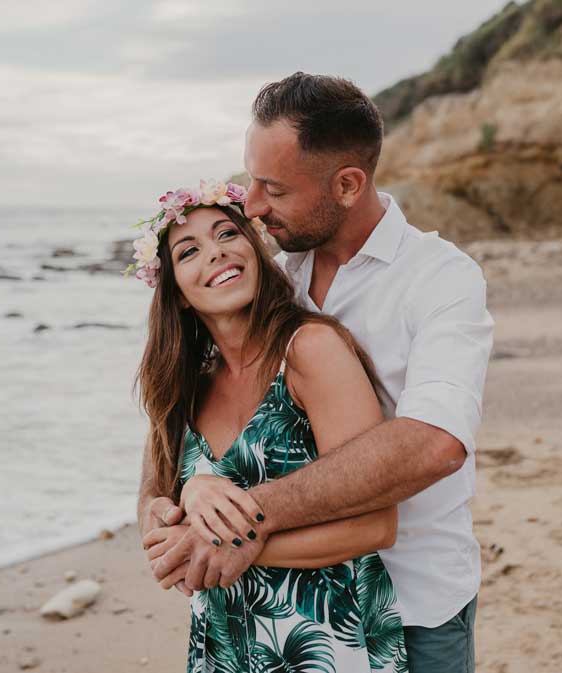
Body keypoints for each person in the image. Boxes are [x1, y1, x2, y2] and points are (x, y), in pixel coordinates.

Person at [144, 73, 494, 673]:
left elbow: (435, 443)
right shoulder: (272, 276)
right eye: (250, 180)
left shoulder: (440, 279)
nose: (251, 206)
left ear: (347, 185)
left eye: (273, 188)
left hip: (413, 600)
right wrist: (177, 498)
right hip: (276, 613)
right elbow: (193, 429)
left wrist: (242, 523)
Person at [132, 180, 408, 672]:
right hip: (223, 648)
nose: (216, 253)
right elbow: (155, 495)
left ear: (256, 249)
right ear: (176, 295)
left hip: (327, 642)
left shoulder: (309, 350)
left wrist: (232, 546)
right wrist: (174, 505)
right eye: (189, 250)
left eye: (227, 234)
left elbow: (377, 524)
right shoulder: (183, 386)